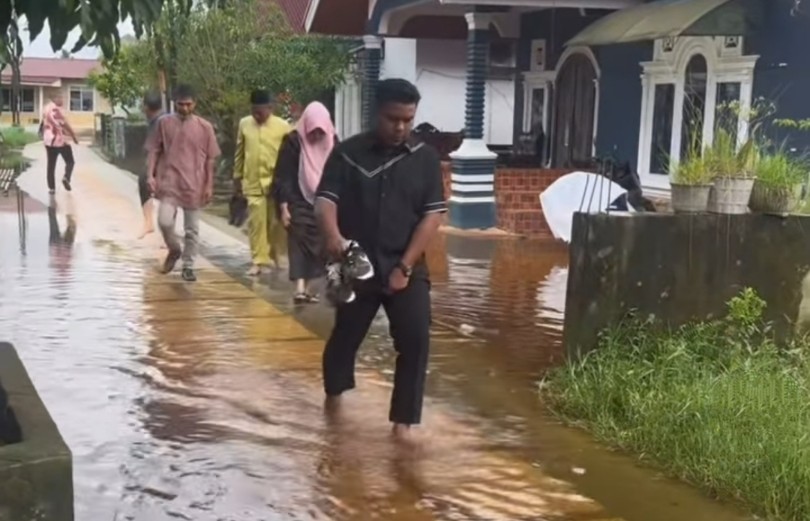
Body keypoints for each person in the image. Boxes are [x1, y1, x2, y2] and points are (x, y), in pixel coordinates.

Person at [314, 79, 447, 442]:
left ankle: (402, 426)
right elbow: (326, 201)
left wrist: (405, 266)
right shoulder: (348, 154)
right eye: (393, 119)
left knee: (416, 339)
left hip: (406, 266)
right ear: (376, 113)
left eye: (408, 119)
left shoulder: (425, 159)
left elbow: (431, 216)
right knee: (346, 337)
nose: (400, 127)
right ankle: (334, 402)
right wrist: (333, 238)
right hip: (358, 265)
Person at [146, 84, 221, 282]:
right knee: (164, 220)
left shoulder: (205, 127)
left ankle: (188, 265)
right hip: (169, 182)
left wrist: (209, 185)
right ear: (175, 104)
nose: (185, 108)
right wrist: (150, 175)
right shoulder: (164, 124)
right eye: (181, 104)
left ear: (194, 104)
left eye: (188, 104)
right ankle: (174, 249)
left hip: (195, 183)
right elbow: (154, 150)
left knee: (192, 229)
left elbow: (211, 159)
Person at [272, 101, 337, 303]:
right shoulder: (293, 141)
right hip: (297, 199)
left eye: (320, 132)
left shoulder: (334, 142)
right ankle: (299, 288)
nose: (317, 136)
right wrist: (283, 207)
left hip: (324, 201)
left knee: (319, 245)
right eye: (313, 131)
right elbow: (283, 175)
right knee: (298, 240)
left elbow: (341, 176)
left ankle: (308, 289)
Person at [234, 89, 293, 276]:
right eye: (253, 111)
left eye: (260, 111)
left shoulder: (284, 127)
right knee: (256, 224)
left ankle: (276, 255)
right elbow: (240, 153)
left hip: (276, 184)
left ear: (270, 108)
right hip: (252, 182)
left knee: (276, 224)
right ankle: (259, 260)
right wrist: (237, 179)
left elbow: (291, 156)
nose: (256, 115)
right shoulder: (244, 124)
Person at [138, 92, 166, 239]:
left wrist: (151, 167)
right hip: (163, 161)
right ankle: (150, 223)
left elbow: (154, 147)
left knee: (163, 194)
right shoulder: (160, 119)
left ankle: (155, 226)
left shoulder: (159, 122)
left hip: (164, 162)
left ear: (147, 108)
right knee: (145, 182)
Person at [42, 93, 79, 194]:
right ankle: (66, 177)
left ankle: (51, 188)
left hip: (48, 141)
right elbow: (64, 124)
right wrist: (74, 136)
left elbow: (45, 123)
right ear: (55, 98)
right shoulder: (56, 110)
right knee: (70, 161)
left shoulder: (46, 109)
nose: (62, 100)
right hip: (59, 141)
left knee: (51, 164)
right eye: (61, 98)